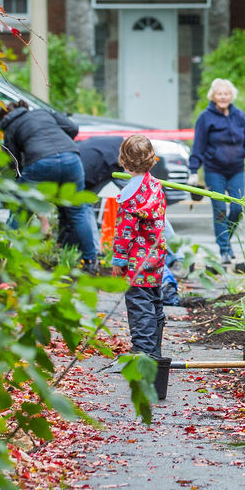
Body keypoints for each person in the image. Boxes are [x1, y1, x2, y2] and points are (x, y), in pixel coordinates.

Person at [0, 99, 99, 273]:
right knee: (77, 211)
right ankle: (91, 261)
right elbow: (73, 129)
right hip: (72, 158)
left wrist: (22, 188)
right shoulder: (42, 113)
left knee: (19, 211)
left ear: (5, 117)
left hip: (41, 162)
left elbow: (13, 163)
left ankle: (5, 257)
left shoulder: (11, 127)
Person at [188, 79, 245, 265]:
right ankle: (224, 250)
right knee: (220, 210)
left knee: (238, 208)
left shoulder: (239, 116)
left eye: (226, 93)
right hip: (214, 170)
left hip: (237, 169)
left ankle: (226, 242)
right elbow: (198, 145)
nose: (223, 97)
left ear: (231, 96)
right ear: (213, 96)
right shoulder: (205, 117)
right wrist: (193, 171)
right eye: (219, 94)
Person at [112, 135, 168, 358]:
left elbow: (125, 232)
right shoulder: (156, 187)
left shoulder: (128, 196)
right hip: (156, 257)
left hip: (136, 262)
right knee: (154, 302)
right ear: (152, 160)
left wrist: (119, 260)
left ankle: (143, 352)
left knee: (139, 306)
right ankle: (154, 350)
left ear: (123, 162)